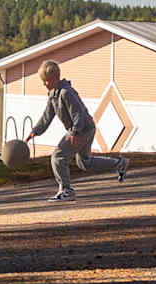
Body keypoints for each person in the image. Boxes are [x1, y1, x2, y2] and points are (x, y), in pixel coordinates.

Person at [24, 60, 128, 202]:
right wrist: (35, 131)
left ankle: (66, 190)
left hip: (82, 129)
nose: (44, 84)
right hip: (85, 128)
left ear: (55, 78)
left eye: (45, 81)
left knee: (58, 157)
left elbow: (78, 114)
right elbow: (47, 116)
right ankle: (119, 163)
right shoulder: (53, 94)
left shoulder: (66, 93)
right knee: (85, 163)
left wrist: (75, 133)